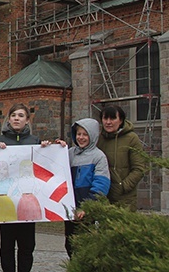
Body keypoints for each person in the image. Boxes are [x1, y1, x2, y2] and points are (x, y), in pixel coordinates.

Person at [0, 103, 41, 272]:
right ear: (9, 119)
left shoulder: (35, 141)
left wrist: (52, 148)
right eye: (13, 115)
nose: (16, 118)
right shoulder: (0, 140)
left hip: (27, 202)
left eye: (21, 116)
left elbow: (42, 165)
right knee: (6, 246)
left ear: (27, 120)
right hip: (6, 203)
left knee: (27, 247)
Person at [63, 118, 110, 257]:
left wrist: (87, 206)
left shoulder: (99, 157)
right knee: (70, 244)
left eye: (85, 134)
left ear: (93, 135)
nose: (81, 138)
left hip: (87, 209)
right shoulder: (70, 153)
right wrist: (57, 148)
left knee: (87, 245)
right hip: (70, 209)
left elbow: (101, 184)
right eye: (78, 134)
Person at [97, 105, 146, 211]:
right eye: (105, 118)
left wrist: (122, 187)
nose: (108, 122)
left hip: (125, 199)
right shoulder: (98, 139)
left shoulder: (132, 138)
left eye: (113, 118)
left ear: (121, 120)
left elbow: (139, 168)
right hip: (103, 197)